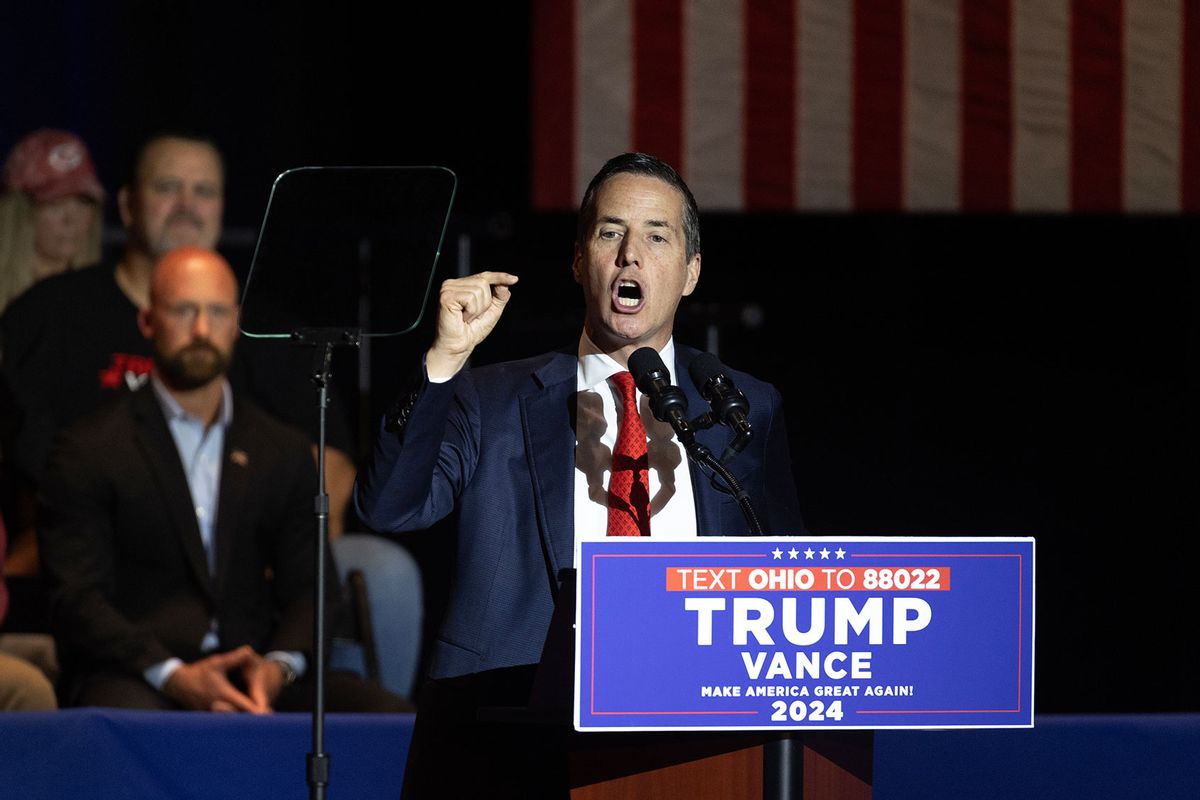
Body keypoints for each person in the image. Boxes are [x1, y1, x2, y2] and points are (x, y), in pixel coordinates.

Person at [354, 152, 804, 796]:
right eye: (609, 232)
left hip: (696, 737)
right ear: (577, 260)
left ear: (690, 272)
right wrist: (443, 359)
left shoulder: (743, 406)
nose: (630, 255)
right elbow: (390, 508)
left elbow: (786, 572)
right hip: (510, 732)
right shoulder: (491, 399)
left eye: (657, 236)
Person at [36, 246, 407, 712]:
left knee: (391, 720)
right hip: (140, 674)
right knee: (126, 723)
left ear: (237, 322)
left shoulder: (283, 448)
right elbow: (75, 599)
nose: (201, 330)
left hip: (258, 670)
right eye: (183, 310)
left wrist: (278, 666)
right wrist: (171, 675)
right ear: (147, 322)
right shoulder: (88, 449)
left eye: (216, 312)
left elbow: (313, 588)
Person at [0, 131, 357, 577]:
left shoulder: (272, 328)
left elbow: (333, 468)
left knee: (383, 573)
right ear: (128, 206)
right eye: (168, 187)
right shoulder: (47, 314)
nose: (187, 204)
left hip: (250, 567)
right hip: (91, 560)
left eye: (203, 190)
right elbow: (34, 480)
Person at [0, 128, 104, 312]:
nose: (71, 219)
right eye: (55, 203)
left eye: (83, 202)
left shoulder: (104, 299)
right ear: (18, 213)